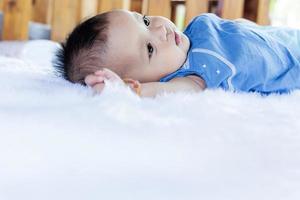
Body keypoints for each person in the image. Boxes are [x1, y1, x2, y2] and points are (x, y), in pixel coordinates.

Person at [54, 9, 300, 97]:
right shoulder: (195, 76)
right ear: (140, 80)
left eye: (145, 21)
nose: (160, 29)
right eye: (149, 49)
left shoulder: (195, 33)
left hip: (286, 37)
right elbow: (169, 91)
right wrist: (127, 90)